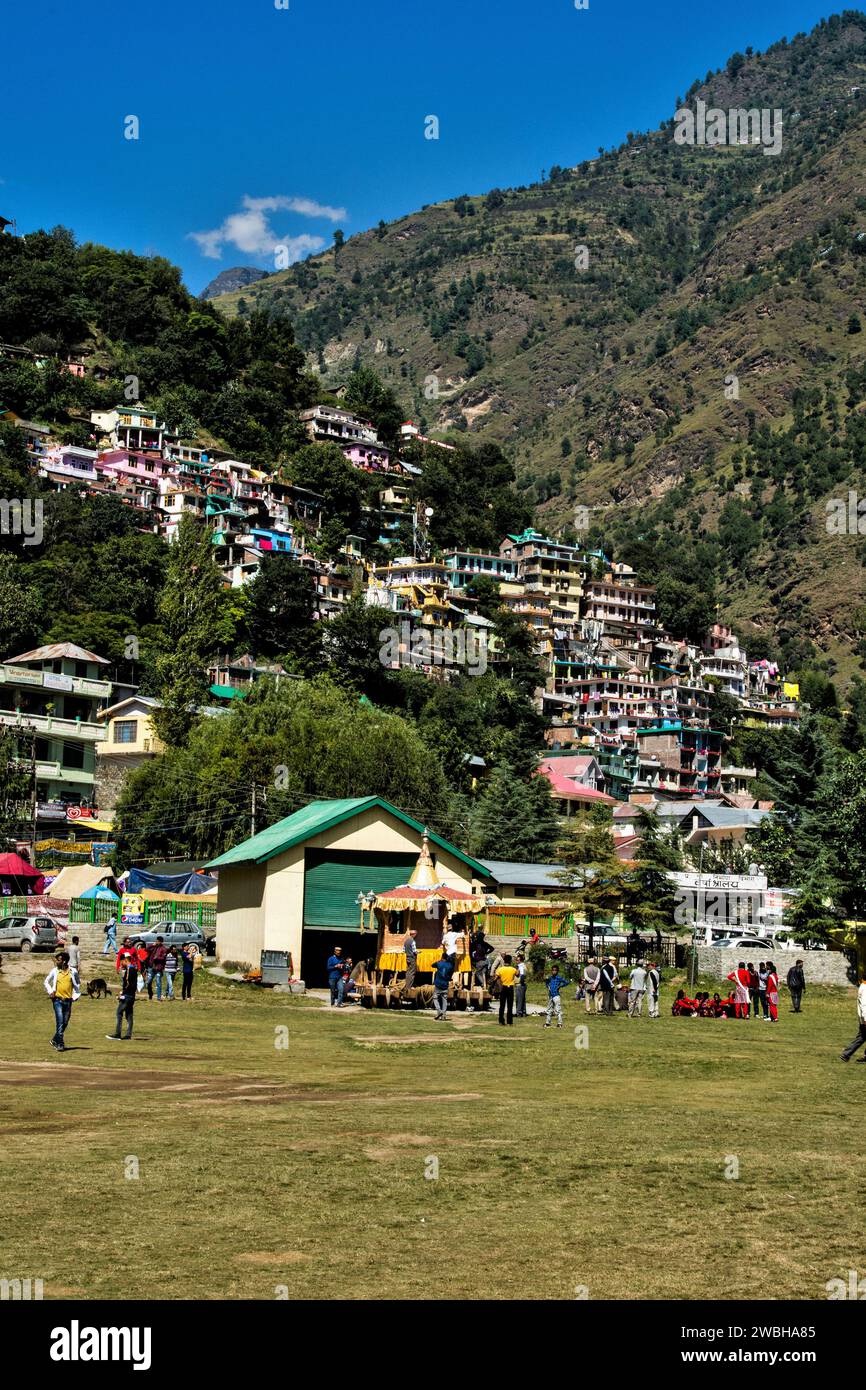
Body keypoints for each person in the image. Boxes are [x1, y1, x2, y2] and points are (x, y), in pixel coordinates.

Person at [44, 951, 80, 1052]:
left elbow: (77, 983)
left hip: (68, 1001)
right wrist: (50, 991)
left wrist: (76, 995)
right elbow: (46, 981)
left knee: (65, 1022)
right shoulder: (55, 971)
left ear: (64, 961)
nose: (56, 962)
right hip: (57, 1000)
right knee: (60, 1021)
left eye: (58, 960)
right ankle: (60, 1044)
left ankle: (54, 1039)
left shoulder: (73, 971)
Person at [106, 955, 138, 1041]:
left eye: (121, 962)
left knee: (119, 1013)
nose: (121, 964)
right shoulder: (134, 969)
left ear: (125, 960)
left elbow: (128, 984)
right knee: (129, 1015)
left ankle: (117, 1034)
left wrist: (122, 994)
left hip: (127, 996)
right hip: (132, 996)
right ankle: (128, 1035)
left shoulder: (129, 970)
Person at [839, 974, 866, 1062]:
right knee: (862, 1037)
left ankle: (846, 1054)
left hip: (863, 1018)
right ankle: (846, 1054)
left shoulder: (863, 987)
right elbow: (864, 1005)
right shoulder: (865, 988)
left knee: (862, 1036)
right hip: (865, 1018)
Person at [543, 963, 568, 1029]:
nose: (554, 971)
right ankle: (547, 1023)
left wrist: (560, 986)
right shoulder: (550, 978)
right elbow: (546, 982)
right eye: (553, 970)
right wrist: (547, 985)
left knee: (558, 1009)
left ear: (557, 971)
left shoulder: (558, 978)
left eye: (555, 970)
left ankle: (559, 1023)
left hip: (556, 995)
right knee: (549, 1009)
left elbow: (566, 982)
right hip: (550, 995)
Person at [496, 954, 518, 1026]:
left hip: (503, 988)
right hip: (510, 988)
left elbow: (496, 977)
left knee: (502, 1005)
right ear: (510, 961)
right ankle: (509, 1022)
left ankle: (501, 1021)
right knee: (510, 1006)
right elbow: (518, 974)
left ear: (504, 960)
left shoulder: (500, 969)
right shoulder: (513, 969)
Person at [432, 950, 454, 1021]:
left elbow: (432, 965)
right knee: (444, 1000)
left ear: (442, 957)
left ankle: (439, 1011)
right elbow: (451, 973)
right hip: (445, 984)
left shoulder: (439, 963)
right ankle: (443, 1015)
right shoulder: (450, 965)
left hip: (438, 984)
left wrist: (440, 960)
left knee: (435, 998)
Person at [146, 936, 168, 1001]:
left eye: (158, 941)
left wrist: (157, 957)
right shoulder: (154, 947)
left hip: (158, 968)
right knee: (148, 982)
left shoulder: (164, 949)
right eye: (156, 941)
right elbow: (146, 949)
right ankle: (150, 994)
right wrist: (152, 945)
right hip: (151, 967)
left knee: (158, 983)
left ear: (161, 942)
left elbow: (164, 958)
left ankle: (158, 998)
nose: (157, 942)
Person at [403, 927, 418, 997]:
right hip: (412, 958)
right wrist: (418, 952)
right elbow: (414, 951)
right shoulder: (413, 941)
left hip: (407, 958)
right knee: (412, 972)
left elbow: (404, 950)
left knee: (408, 972)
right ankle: (410, 986)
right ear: (413, 934)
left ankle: (407, 985)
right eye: (415, 934)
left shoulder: (406, 941)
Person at [515, 953, 528, 1017]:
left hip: (520, 984)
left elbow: (522, 975)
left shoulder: (520, 966)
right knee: (522, 999)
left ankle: (519, 1012)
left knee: (519, 999)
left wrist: (520, 982)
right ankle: (523, 1012)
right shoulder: (524, 965)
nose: (516, 961)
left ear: (520, 960)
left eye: (517, 960)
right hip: (523, 984)